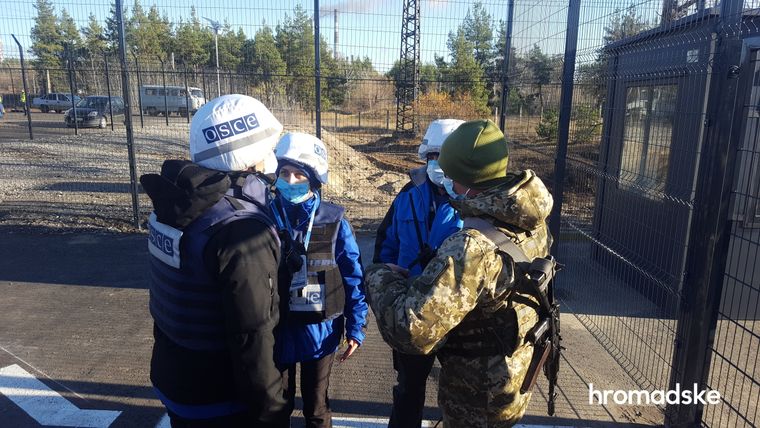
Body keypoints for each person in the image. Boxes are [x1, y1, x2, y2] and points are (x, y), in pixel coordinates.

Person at [365, 119, 554, 427]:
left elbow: (411, 330)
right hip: (513, 371)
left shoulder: (472, 247)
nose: (447, 181)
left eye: (452, 174)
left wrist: (378, 277)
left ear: (468, 177)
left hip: (477, 392)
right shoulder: (531, 219)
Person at [140, 94, 288, 427]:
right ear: (249, 155)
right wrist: (272, 413)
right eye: (269, 147)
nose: (273, 156)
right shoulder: (241, 230)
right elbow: (253, 336)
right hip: (221, 397)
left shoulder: (177, 206)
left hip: (174, 376)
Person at [271, 132, 368, 428]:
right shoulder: (265, 215)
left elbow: (353, 276)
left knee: (316, 407)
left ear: (313, 180)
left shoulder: (334, 221)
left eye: (299, 174)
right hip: (276, 329)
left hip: (320, 332)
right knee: (276, 406)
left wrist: (356, 327)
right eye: (284, 173)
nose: (290, 180)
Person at [373, 119, 464, 427]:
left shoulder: (475, 202)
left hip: (458, 318)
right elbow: (386, 245)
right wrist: (388, 282)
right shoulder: (407, 196)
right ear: (425, 157)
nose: (438, 164)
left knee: (458, 394)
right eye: (433, 156)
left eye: (446, 157)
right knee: (409, 390)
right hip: (412, 312)